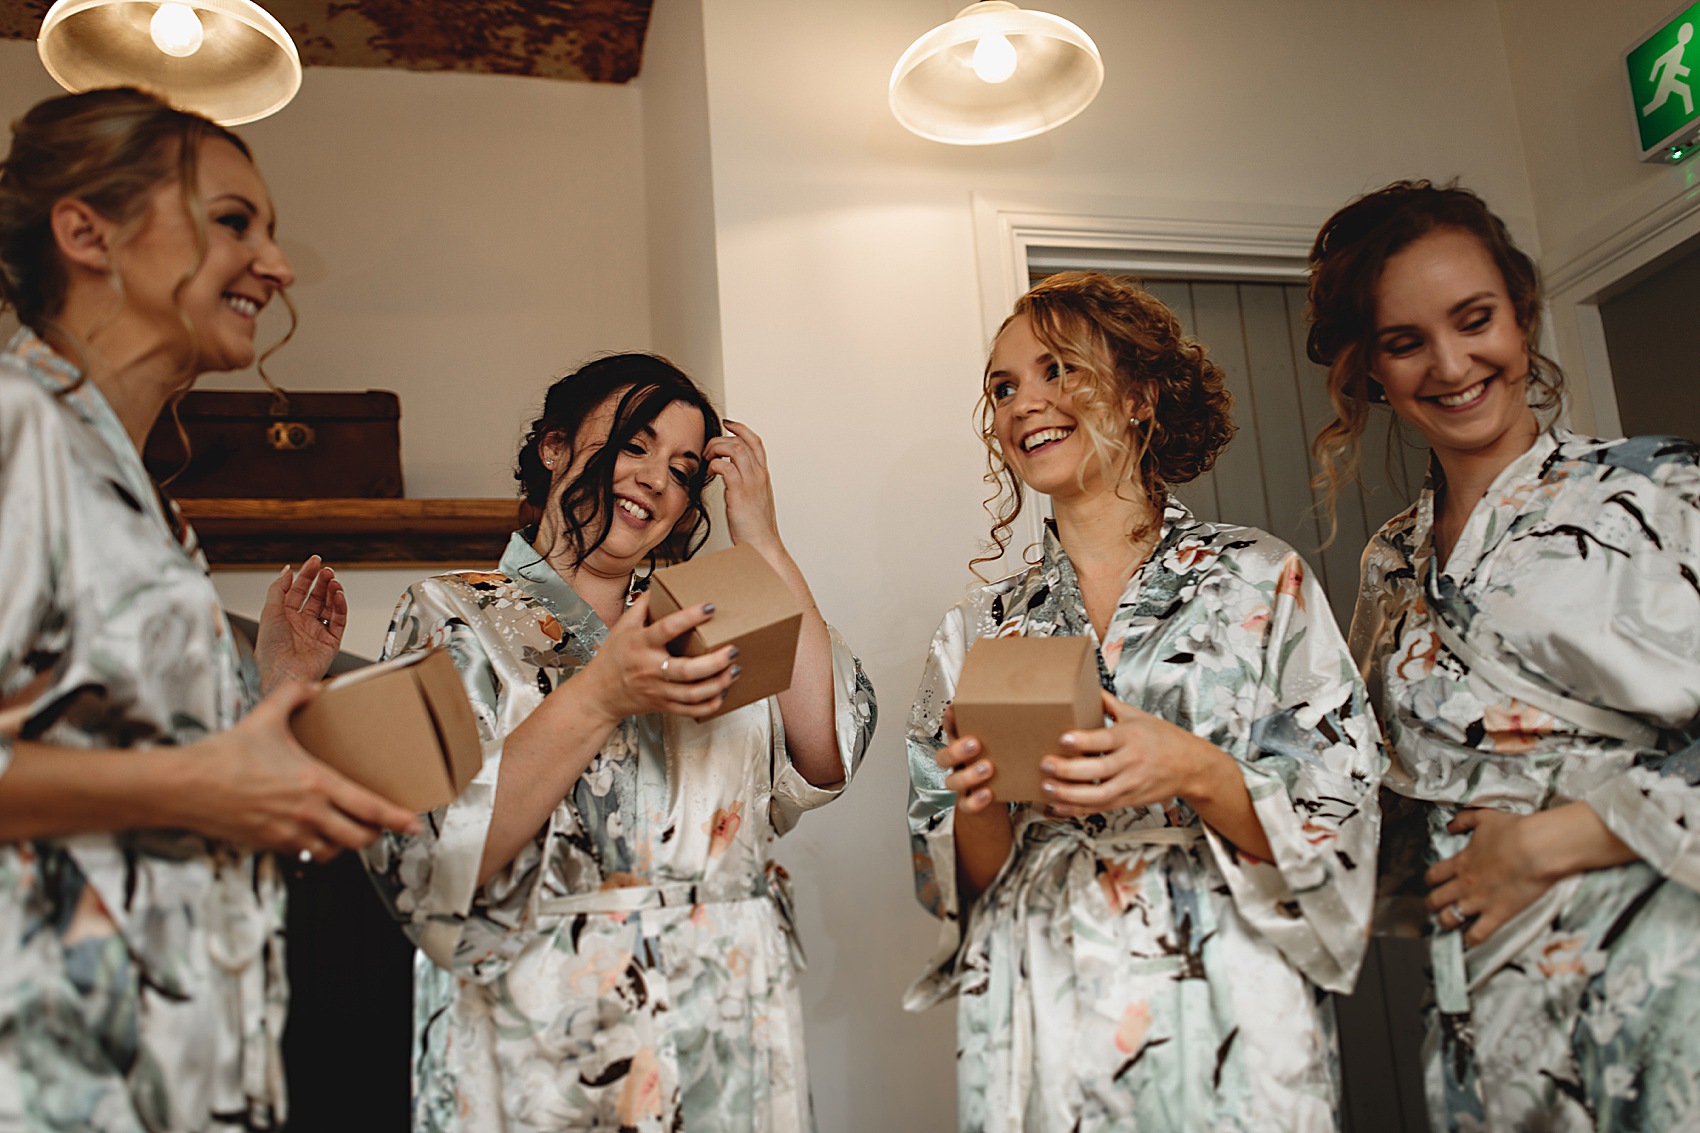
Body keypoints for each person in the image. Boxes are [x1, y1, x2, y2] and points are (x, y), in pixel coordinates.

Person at [0, 88, 420, 1130]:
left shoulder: (145, 500)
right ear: (86, 229)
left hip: (181, 1059)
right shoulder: (15, 427)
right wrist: (203, 781)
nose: (278, 268)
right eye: (235, 221)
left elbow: (113, 755)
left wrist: (275, 687)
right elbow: (181, 786)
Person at [905, 271, 1383, 1132]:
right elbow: (956, 879)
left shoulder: (1257, 578)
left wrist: (1195, 768)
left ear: (1139, 396)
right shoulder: (980, 626)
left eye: (1059, 371)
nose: (1023, 405)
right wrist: (977, 800)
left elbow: (1340, 810)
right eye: (1002, 388)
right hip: (1046, 984)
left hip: (1223, 980)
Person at [362, 353, 876, 1132]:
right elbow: (433, 856)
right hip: (545, 1034)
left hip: (724, 1022)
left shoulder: (709, 615)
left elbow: (824, 749)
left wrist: (762, 538)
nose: (656, 478)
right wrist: (601, 694)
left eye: (682, 467)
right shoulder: (450, 616)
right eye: (634, 444)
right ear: (554, 447)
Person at [1307, 179, 1700, 1131]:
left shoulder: (1658, 493)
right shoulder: (1394, 560)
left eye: (1475, 319)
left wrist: (1554, 837)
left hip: (1664, 980)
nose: (1452, 362)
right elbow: (1370, 790)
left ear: (1521, 316)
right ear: (1370, 371)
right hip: (1487, 1004)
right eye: (1406, 342)